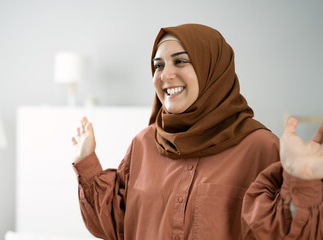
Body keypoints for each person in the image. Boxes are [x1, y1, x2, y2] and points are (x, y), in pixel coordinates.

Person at [71, 24, 323, 239]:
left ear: (212, 70)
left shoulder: (259, 146)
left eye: (180, 61)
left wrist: (302, 181)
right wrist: (87, 164)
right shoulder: (144, 143)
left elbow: (284, 231)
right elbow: (117, 224)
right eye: (158, 66)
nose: (165, 75)